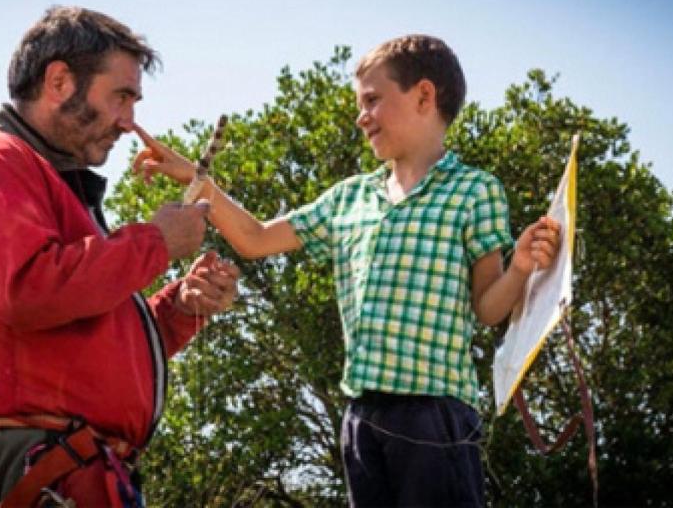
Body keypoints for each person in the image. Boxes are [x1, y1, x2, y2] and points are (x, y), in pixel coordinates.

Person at [132, 34, 561, 507]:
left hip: (434, 415)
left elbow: (487, 308)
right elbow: (254, 238)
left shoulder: (474, 191)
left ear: (424, 96)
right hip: (361, 418)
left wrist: (521, 269)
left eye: (372, 100)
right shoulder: (349, 198)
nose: (361, 116)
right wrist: (196, 178)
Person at [0, 6, 239, 507]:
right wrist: (155, 243)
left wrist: (180, 308)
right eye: (120, 96)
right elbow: (27, 291)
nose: (129, 122)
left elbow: (89, 333)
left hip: (69, 459)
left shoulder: (48, 180)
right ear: (59, 82)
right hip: (43, 457)